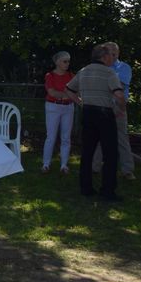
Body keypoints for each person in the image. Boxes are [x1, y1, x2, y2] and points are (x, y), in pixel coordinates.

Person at [64, 44, 126, 201]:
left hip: (88, 113)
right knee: (110, 154)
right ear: (104, 57)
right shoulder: (109, 72)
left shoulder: (83, 71)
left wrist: (80, 102)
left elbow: (69, 90)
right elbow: (119, 95)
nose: (113, 58)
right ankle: (107, 191)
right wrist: (121, 108)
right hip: (105, 115)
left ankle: (86, 188)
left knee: (87, 152)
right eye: (110, 55)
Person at [92, 42, 135, 180]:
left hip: (118, 106)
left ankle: (127, 170)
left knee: (122, 139)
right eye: (107, 51)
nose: (110, 54)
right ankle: (94, 167)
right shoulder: (99, 67)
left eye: (112, 51)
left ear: (117, 53)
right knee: (99, 136)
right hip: (101, 105)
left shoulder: (124, 67)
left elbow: (119, 86)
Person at [42, 51, 74, 174]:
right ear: (57, 62)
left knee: (66, 137)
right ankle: (46, 164)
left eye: (68, 61)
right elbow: (52, 92)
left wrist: (66, 96)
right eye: (65, 61)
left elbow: (76, 91)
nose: (67, 63)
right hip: (53, 107)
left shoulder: (71, 75)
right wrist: (68, 95)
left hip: (68, 107)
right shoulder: (50, 75)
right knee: (51, 137)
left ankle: (64, 165)